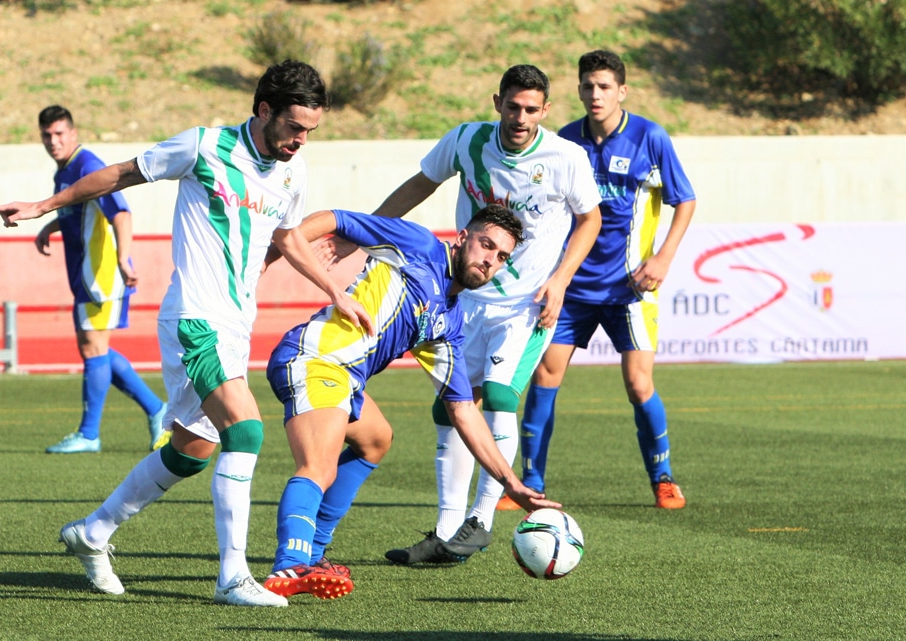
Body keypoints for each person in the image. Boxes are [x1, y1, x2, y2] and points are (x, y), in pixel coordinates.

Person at [0, 60, 372, 607]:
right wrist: (42, 205)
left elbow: (287, 237)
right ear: (264, 110)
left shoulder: (293, 172)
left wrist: (335, 291)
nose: (300, 140)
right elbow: (121, 174)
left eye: (310, 130)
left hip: (235, 325)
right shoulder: (204, 147)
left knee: (192, 450)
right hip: (195, 318)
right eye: (294, 127)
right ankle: (233, 577)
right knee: (247, 431)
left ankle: (93, 532)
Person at [319, 64, 602, 565]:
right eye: (512, 106)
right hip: (466, 301)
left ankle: (483, 519)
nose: (520, 117)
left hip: (526, 306)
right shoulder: (467, 141)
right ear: (497, 103)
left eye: (531, 109)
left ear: (546, 111)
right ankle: (447, 532)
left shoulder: (565, 157)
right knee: (449, 407)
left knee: (498, 395)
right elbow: (419, 185)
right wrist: (362, 231)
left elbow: (590, 219)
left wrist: (560, 280)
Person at [262, 205, 560, 600]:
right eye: (486, 245)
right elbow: (335, 219)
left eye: (502, 256)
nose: (491, 260)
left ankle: (314, 553)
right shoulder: (419, 245)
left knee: (375, 440)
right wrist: (270, 255)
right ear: (463, 239)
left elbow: (463, 410)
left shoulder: (449, 322)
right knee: (319, 465)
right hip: (315, 360)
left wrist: (511, 482)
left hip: (345, 378)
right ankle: (291, 563)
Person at [512, 49, 697, 511]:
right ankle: (530, 482)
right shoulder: (564, 141)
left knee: (638, 385)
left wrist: (663, 258)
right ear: (578, 90)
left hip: (630, 288)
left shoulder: (649, 137)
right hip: (571, 287)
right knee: (544, 376)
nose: (596, 94)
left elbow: (685, 200)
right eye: (588, 86)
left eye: (605, 87)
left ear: (622, 91)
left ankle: (663, 478)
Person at [34, 105, 168, 454]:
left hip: (102, 274)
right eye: (47, 135)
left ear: (73, 134)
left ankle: (89, 433)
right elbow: (76, 211)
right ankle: (157, 410)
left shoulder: (88, 167)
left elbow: (121, 214)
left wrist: (123, 259)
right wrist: (50, 226)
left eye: (59, 133)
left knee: (92, 348)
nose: (53, 141)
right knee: (96, 348)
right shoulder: (65, 171)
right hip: (85, 274)